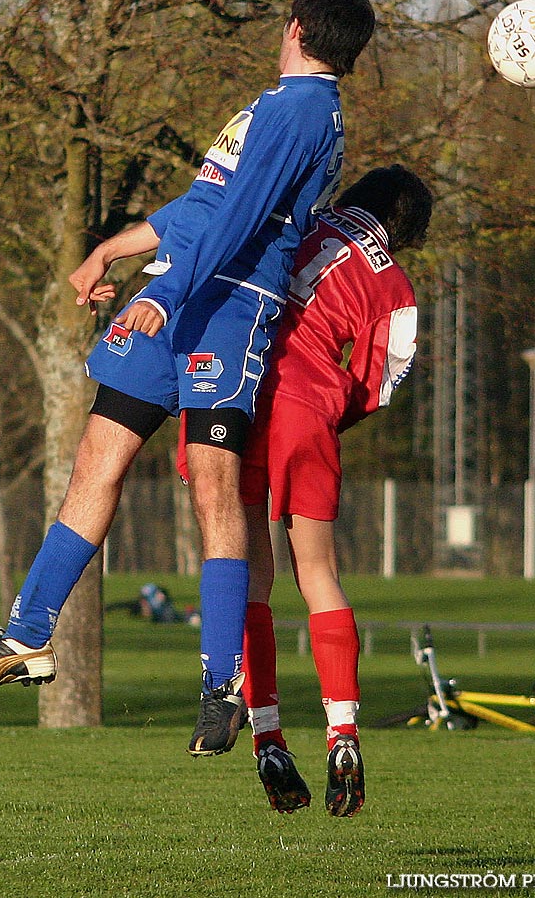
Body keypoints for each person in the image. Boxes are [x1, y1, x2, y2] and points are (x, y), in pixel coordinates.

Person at [0, 0, 376, 760]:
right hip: (177, 295)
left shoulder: (301, 109)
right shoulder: (274, 104)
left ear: (296, 26)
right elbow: (205, 203)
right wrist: (113, 248)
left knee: (212, 485)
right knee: (93, 468)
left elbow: (243, 221)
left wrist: (165, 293)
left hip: (227, 306)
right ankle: (26, 635)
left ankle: (221, 683)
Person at [177, 165, 431, 813]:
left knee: (248, 578)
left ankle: (266, 735)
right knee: (318, 574)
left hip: (234, 395)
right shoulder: (393, 285)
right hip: (304, 413)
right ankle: (341, 731)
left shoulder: (302, 222)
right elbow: (377, 385)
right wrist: (322, 410)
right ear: (404, 233)